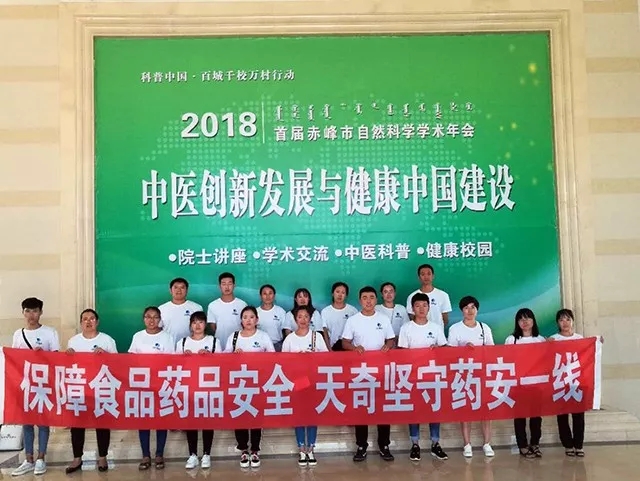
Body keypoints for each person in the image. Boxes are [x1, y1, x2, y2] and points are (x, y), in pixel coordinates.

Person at [341, 286, 395, 462]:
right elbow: (344, 342)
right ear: (360, 300)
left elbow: (391, 338)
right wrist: (354, 348)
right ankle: (361, 445)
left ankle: (384, 445)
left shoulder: (383, 319)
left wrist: (388, 345)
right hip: (361, 372)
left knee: (382, 409)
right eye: (365, 298)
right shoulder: (353, 320)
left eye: (372, 297)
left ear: (376, 300)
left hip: (380, 371)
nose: (368, 301)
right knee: (361, 409)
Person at [10, 297, 60, 477]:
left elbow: (57, 358)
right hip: (25, 384)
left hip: (43, 383)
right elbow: (14, 359)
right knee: (27, 422)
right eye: (28, 311)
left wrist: (42, 355)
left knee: (43, 421)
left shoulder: (50, 332)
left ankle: (41, 458)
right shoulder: (18, 334)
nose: (31, 315)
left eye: (35, 311)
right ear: (23, 313)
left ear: (41, 312)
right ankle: (28, 458)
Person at [64, 309, 117, 473]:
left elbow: (118, 364)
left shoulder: (107, 340)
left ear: (97, 322)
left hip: (101, 388)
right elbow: (67, 366)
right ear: (81, 322)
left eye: (92, 319)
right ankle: (77, 458)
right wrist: (68, 355)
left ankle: (102, 457)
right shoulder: (73, 341)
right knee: (77, 424)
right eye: (85, 319)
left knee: (102, 424)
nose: (88, 322)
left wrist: (106, 355)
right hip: (79, 388)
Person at [397, 293, 448, 462]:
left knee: (434, 409)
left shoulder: (436, 327)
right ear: (412, 308)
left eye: (424, 305)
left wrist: (438, 350)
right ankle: (415, 444)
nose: (421, 309)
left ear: (429, 307)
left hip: (433, 376)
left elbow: (444, 349)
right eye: (417, 306)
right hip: (413, 377)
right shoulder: (406, 328)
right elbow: (402, 353)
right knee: (415, 410)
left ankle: (435, 443)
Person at [226, 306, 275, 468]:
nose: (248, 320)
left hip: (257, 382)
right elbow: (223, 357)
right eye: (245, 317)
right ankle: (243, 449)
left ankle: (254, 449)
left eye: (251, 317)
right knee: (239, 415)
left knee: (256, 416)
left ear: (257, 320)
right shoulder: (234, 337)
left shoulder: (263, 336)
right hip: (238, 383)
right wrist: (233, 355)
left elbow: (272, 357)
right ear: (241, 320)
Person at [548, 308, 601, 458]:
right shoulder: (553, 339)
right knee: (562, 416)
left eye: (567, 319)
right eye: (561, 320)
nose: (565, 323)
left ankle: (579, 445)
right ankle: (568, 445)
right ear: (557, 323)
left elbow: (588, 354)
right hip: (560, 382)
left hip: (576, 381)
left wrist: (597, 343)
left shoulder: (579, 338)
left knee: (578, 415)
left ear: (572, 321)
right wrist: (547, 345)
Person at [447, 296, 495, 458]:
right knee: (466, 409)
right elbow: (449, 353)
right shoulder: (455, 329)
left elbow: (491, 350)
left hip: (481, 374)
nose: (470, 310)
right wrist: (464, 350)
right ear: (462, 310)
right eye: (466, 307)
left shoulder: (484, 327)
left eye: (473, 307)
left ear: (477, 310)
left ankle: (487, 443)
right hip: (463, 374)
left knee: (485, 410)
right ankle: (467, 444)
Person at [128, 306, 174, 470]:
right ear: (144, 319)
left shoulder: (167, 337)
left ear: (160, 319)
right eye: (148, 317)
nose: (152, 320)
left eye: (155, 317)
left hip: (161, 383)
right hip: (142, 384)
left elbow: (171, 361)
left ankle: (159, 454)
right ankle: (145, 455)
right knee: (144, 420)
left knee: (161, 419)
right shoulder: (137, 336)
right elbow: (131, 358)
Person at [282, 305, 329, 466]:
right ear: (295, 320)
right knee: (299, 415)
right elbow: (283, 362)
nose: (303, 320)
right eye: (300, 317)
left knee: (312, 415)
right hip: (297, 382)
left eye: (306, 316)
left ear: (310, 319)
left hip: (314, 380)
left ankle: (311, 448)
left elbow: (326, 359)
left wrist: (312, 357)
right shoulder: (290, 339)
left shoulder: (317, 337)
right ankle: (301, 448)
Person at [177, 311, 218, 470]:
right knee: (191, 421)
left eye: (200, 322)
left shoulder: (213, 341)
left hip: (209, 387)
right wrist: (183, 358)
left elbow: (223, 364)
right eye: (194, 322)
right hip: (189, 387)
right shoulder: (182, 343)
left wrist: (209, 357)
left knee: (207, 420)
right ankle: (193, 454)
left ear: (205, 324)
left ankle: (207, 454)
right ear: (190, 325)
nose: (197, 325)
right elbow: (173, 366)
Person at [505, 308, 546, 458]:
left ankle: (535, 444)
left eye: (528, 318)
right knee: (520, 416)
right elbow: (506, 360)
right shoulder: (512, 340)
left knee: (536, 417)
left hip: (537, 383)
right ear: (517, 322)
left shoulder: (540, 340)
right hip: (519, 384)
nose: (525, 322)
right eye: (521, 319)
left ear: (533, 321)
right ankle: (522, 445)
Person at [207, 272, 247, 347]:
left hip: (239, 345)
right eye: (224, 284)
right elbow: (212, 328)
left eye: (229, 284)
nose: (227, 287)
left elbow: (245, 326)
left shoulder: (242, 304)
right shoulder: (212, 305)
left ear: (234, 285)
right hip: (219, 344)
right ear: (219, 286)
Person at [405, 264, 452, 329]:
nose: (426, 276)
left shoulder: (443, 295)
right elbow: (412, 317)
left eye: (429, 274)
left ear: (433, 276)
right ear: (419, 277)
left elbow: (445, 319)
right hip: (418, 332)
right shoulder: (412, 296)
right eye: (423, 274)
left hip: (437, 332)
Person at [159, 277, 203, 344]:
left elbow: (201, 329)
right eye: (176, 287)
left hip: (190, 346)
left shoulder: (196, 308)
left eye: (182, 287)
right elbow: (158, 329)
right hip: (168, 345)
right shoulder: (161, 309)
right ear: (170, 290)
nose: (179, 290)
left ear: (187, 290)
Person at [321, 282, 358, 351]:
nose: (340, 295)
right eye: (337, 292)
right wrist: (329, 350)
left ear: (346, 295)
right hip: (332, 347)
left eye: (343, 293)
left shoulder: (353, 311)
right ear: (333, 293)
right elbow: (325, 333)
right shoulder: (325, 311)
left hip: (349, 348)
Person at [256, 284, 287, 351]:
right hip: (260, 346)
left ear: (274, 295)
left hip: (278, 345)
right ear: (260, 296)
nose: (268, 296)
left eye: (270, 293)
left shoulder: (281, 311)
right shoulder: (255, 312)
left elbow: (285, 331)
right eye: (265, 293)